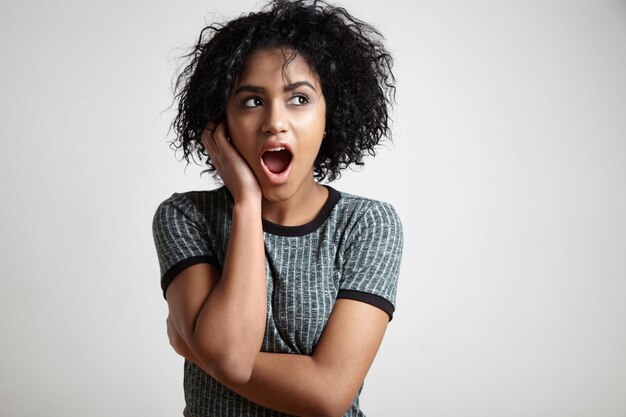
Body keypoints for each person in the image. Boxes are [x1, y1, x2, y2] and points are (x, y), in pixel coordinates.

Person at [152, 1, 403, 416]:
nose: (274, 121)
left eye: (299, 99)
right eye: (251, 102)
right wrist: (247, 205)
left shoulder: (367, 224)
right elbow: (230, 356)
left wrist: (200, 352)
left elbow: (329, 396)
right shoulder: (185, 217)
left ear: (330, 114)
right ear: (222, 121)